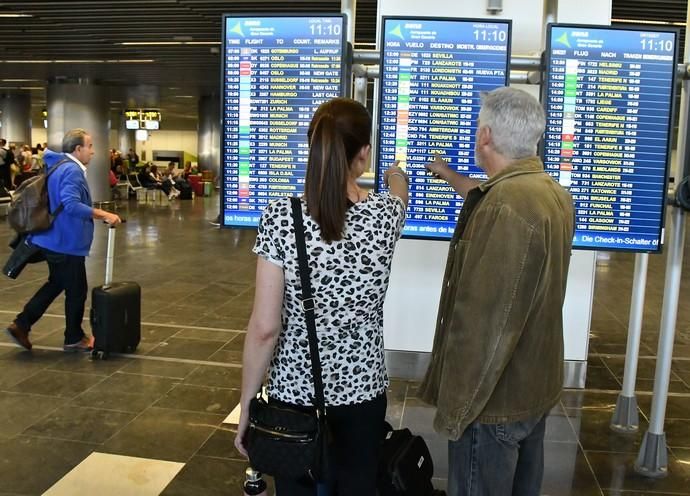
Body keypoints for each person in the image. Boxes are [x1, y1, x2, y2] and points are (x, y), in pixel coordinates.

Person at [234, 97, 409, 496]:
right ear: (362, 153)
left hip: (294, 395)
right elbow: (399, 190)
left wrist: (247, 404)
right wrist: (395, 173)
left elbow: (264, 328)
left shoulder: (282, 217)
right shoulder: (385, 216)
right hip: (364, 391)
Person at [418, 87, 574, 496]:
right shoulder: (548, 192)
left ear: (485, 136)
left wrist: (458, 413)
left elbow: (486, 324)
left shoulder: (506, 208)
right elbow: (484, 194)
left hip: (492, 406)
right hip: (532, 388)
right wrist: (448, 173)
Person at [4, 128, 122, 352]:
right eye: (89, 146)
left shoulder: (59, 166)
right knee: (76, 290)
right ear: (78, 149)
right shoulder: (72, 171)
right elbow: (71, 204)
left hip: (52, 239)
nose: (93, 152)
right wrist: (104, 214)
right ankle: (73, 337)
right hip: (65, 242)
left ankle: (21, 324)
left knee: (57, 283)